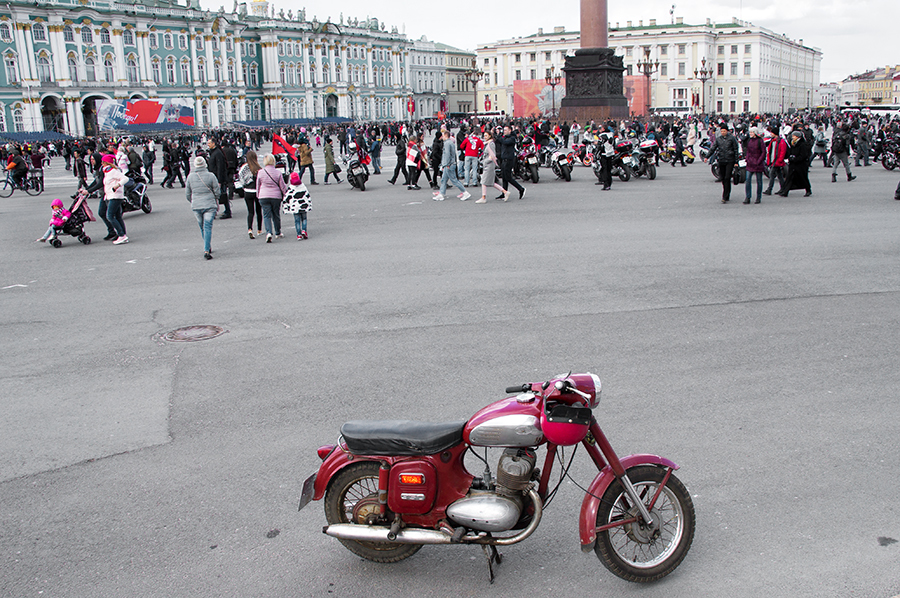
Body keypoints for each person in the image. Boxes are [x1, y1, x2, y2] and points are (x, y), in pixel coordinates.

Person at [185, 156, 220, 260]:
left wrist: (193, 200)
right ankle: (206, 248)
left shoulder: (190, 177)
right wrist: (216, 199)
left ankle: (207, 245)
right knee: (208, 226)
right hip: (209, 204)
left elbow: (187, 193)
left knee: (202, 226)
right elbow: (217, 190)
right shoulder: (211, 175)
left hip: (196, 205)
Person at [256, 154, 287, 242]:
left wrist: (258, 195)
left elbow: (258, 185)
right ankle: (278, 232)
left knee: (266, 215)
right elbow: (282, 186)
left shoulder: (260, 172)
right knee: (276, 214)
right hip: (276, 196)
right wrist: (285, 194)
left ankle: (268, 232)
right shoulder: (278, 172)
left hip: (263, 195)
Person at [434, 129, 470, 201]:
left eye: (443, 135)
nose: (442, 137)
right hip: (450, 164)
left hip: (448, 164)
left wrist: (446, 164)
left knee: (453, 180)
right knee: (444, 180)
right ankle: (441, 193)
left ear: (446, 135)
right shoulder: (450, 143)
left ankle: (465, 192)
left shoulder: (447, 143)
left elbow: (447, 154)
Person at [102, 154, 129, 244]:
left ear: (106, 163)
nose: (102, 164)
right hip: (111, 196)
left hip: (115, 196)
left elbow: (125, 178)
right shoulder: (108, 172)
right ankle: (123, 234)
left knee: (110, 216)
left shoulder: (113, 171)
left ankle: (122, 235)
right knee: (117, 216)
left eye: (103, 162)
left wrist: (117, 186)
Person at [708, 124, 739, 203]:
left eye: (724, 131)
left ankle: (725, 195)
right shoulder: (718, 139)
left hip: (730, 160)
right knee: (722, 178)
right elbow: (713, 148)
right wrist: (707, 157)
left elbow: (736, 149)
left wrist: (736, 161)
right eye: (721, 131)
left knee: (727, 177)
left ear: (727, 131)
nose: (723, 132)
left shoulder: (732, 138)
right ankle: (726, 191)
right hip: (721, 160)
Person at [777, 131, 812, 198]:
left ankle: (808, 190)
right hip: (793, 164)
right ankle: (785, 191)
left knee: (803, 178)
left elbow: (803, 155)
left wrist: (794, 159)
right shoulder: (793, 143)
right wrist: (790, 157)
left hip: (801, 165)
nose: (792, 137)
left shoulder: (802, 144)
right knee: (789, 178)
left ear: (798, 137)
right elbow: (790, 152)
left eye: (793, 136)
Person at [477, 130, 508, 203]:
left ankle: (483, 197)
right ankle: (505, 192)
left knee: (484, 182)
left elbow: (492, 155)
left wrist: (485, 161)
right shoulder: (488, 143)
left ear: (490, 136)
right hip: (487, 165)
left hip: (489, 165)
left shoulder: (491, 144)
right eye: (484, 136)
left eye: (486, 135)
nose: (485, 137)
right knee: (491, 183)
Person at [239, 150, 263, 239]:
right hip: (257, 191)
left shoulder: (244, 167)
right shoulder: (258, 168)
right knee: (258, 211)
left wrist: (244, 186)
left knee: (250, 212)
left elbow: (240, 178)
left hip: (248, 191)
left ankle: (250, 229)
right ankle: (259, 229)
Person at [498, 125, 526, 199]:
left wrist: (498, 136)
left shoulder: (512, 138)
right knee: (504, 177)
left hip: (509, 160)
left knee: (508, 177)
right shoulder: (505, 137)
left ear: (510, 130)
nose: (504, 131)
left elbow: (504, 142)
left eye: (506, 130)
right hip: (504, 159)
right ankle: (504, 192)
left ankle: (520, 188)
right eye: (503, 130)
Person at [283, 171, 312, 240]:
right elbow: (307, 195)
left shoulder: (291, 188)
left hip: (295, 207)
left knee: (297, 221)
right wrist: (309, 204)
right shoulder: (303, 186)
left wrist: (286, 207)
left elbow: (287, 198)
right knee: (304, 219)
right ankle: (304, 230)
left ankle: (299, 234)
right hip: (303, 205)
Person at [206, 138, 231, 219]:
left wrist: (220, 180)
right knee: (217, 196)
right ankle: (218, 211)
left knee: (222, 195)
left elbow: (220, 167)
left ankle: (227, 211)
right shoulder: (214, 152)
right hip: (214, 177)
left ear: (214, 143)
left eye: (209, 143)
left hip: (218, 178)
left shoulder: (217, 153)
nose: (208, 144)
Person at [743, 127, 766, 204]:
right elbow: (748, 151)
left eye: (752, 133)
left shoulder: (760, 141)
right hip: (750, 163)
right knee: (748, 180)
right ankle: (748, 197)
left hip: (758, 163)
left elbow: (763, 152)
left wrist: (759, 161)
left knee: (759, 181)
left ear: (755, 133)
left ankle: (758, 197)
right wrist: (747, 159)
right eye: (750, 133)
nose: (750, 134)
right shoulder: (749, 141)